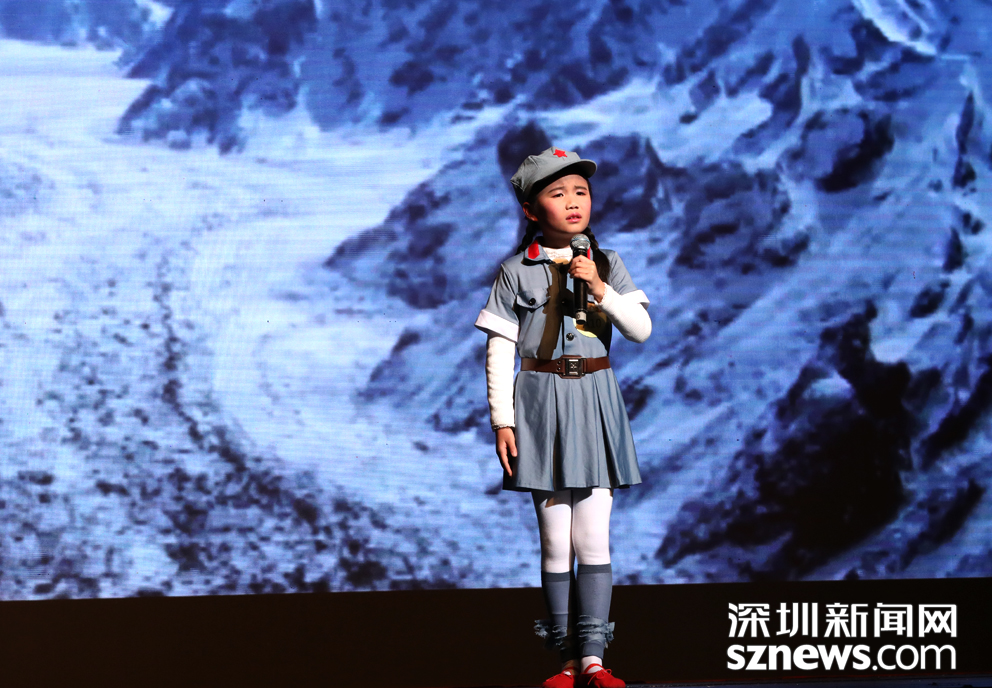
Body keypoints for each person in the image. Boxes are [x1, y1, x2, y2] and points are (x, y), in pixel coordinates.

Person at [475, 147, 652, 688]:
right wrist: (503, 422)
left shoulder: (607, 262)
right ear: (531, 210)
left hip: (595, 398)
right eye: (558, 193)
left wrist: (599, 288)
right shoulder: (515, 271)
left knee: (593, 537)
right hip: (540, 403)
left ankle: (595, 659)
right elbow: (500, 351)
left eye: (581, 191)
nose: (574, 202)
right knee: (556, 540)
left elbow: (641, 331)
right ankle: (565, 661)